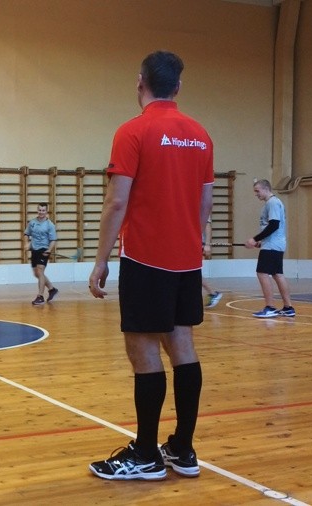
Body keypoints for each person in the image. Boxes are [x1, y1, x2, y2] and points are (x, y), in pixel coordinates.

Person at [87, 51, 213, 481]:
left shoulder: (133, 131)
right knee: (182, 346)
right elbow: (206, 200)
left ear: (140, 81)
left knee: (142, 349)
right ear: (178, 86)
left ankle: (145, 454)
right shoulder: (201, 135)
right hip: (186, 262)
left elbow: (116, 201)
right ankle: (183, 448)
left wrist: (101, 260)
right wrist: (193, 242)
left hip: (145, 258)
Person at [245, 179, 295, 318]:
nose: (256, 194)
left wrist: (255, 239)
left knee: (262, 273)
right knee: (277, 274)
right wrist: (261, 241)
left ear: (266, 189)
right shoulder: (273, 203)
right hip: (275, 244)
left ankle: (270, 307)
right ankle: (288, 307)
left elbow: (274, 225)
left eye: (257, 191)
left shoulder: (272, 203)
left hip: (273, 245)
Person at [24, 203, 59, 305]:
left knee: (40, 271)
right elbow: (26, 234)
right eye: (39, 210)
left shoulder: (50, 225)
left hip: (44, 250)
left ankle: (40, 296)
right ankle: (52, 289)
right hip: (34, 250)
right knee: (37, 274)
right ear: (37, 210)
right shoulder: (32, 222)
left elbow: (53, 240)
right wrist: (26, 243)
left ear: (46, 211)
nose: (41, 212)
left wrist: (49, 249)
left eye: (43, 210)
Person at [202, 216, 222, 308]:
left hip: (198, 243)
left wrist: (207, 244)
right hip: (186, 243)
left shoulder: (200, 207)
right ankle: (213, 293)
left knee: (193, 272)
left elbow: (207, 225)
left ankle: (213, 293)